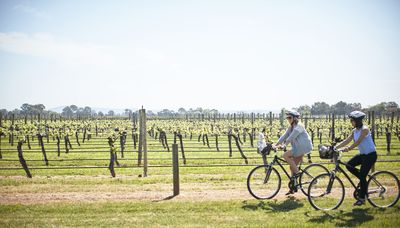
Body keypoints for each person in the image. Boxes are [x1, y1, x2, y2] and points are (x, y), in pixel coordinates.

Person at [335, 111, 377, 206]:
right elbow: (347, 140)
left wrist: (349, 149)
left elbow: (358, 142)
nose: (351, 122)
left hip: (371, 155)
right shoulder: (354, 131)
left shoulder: (365, 129)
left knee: (362, 176)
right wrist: (335, 147)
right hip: (363, 155)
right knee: (349, 165)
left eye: (352, 120)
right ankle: (363, 181)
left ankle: (362, 198)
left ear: (357, 121)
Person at [274, 110, 313, 194]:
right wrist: (276, 144)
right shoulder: (291, 127)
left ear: (295, 118)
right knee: (292, 167)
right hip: (297, 147)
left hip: (302, 147)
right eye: (287, 118)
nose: (288, 119)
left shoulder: (299, 126)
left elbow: (291, 136)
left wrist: (284, 145)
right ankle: (293, 188)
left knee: (285, 155)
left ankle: (298, 174)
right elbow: (284, 136)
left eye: (289, 117)